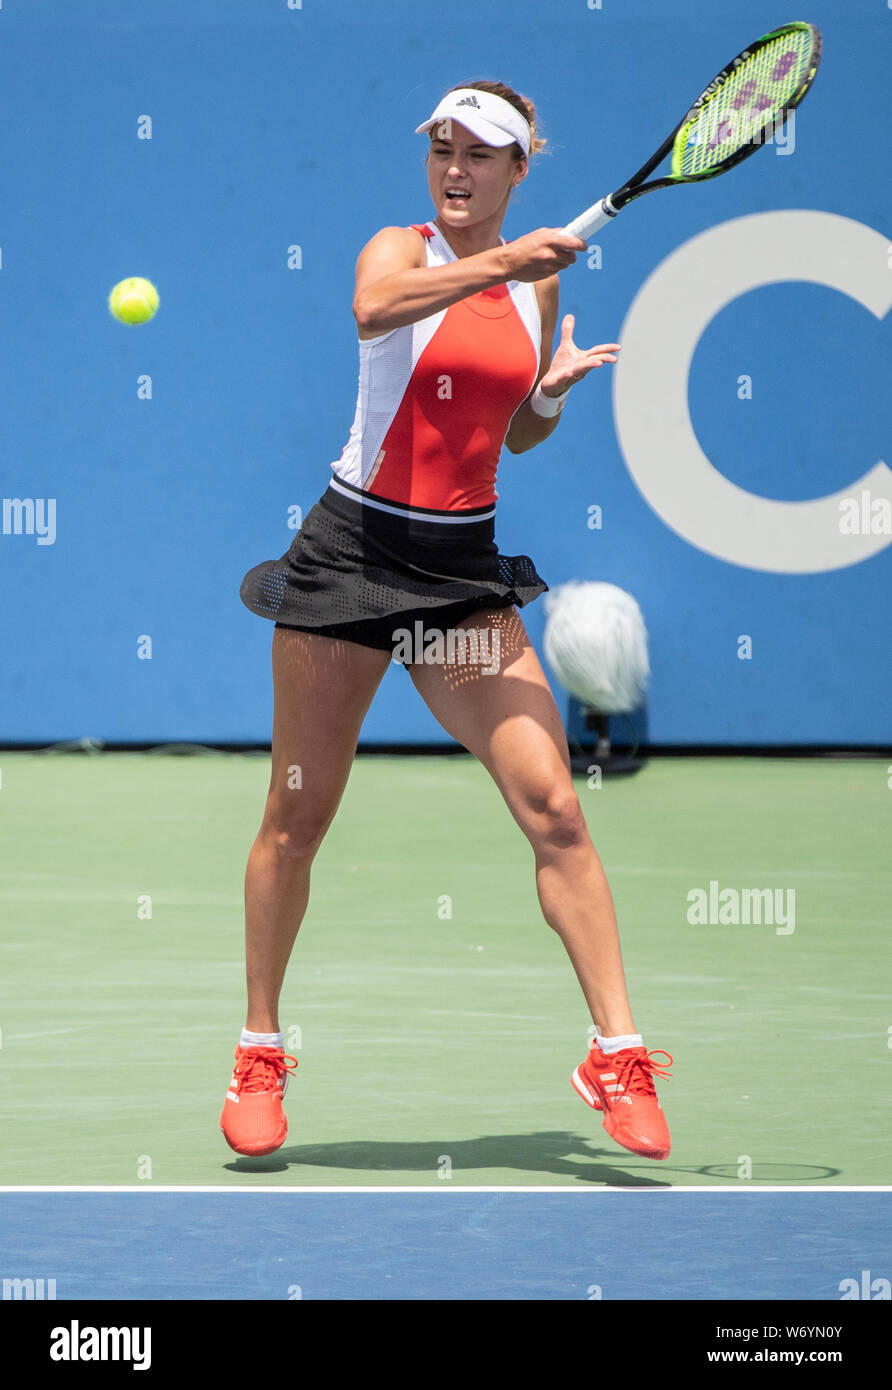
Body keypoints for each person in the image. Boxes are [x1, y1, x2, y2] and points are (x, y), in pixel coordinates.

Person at [223, 79, 672, 1163]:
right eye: (442, 148)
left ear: (523, 169)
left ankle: (616, 1052)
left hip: (460, 576)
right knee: (300, 812)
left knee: (555, 805)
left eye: (481, 153)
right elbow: (375, 312)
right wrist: (504, 265)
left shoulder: (538, 292)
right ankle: (259, 1045)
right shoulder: (404, 247)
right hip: (350, 560)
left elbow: (509, 433)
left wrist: (550, 392)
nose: (455, 168)